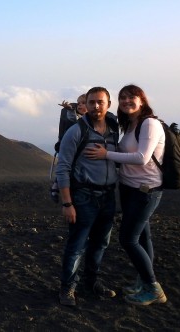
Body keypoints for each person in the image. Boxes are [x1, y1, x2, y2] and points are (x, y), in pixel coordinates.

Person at [84, 84, 168, 305]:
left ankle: (153, 288)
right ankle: (144, 282)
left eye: (132, 98)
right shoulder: (132, 124)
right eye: (122, 99)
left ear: (142, 100)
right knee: (142, 237)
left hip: (146, 190)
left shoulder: (149, 123)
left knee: (128, 239)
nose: (127, 102)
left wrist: (106, 155)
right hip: (131, 189)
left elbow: (142, 157)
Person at [55, 87, 119, 306]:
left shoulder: (115, 131)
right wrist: (67, 203)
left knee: (100, 243)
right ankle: (67, 288)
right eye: (91, 102)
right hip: (83, 197)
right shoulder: (76, 131)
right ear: (86, 104)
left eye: (100, 102)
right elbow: (62, 168)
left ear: (108, 104)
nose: (96, 106)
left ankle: (91, 283)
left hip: (108, 196)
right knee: (77, 245)